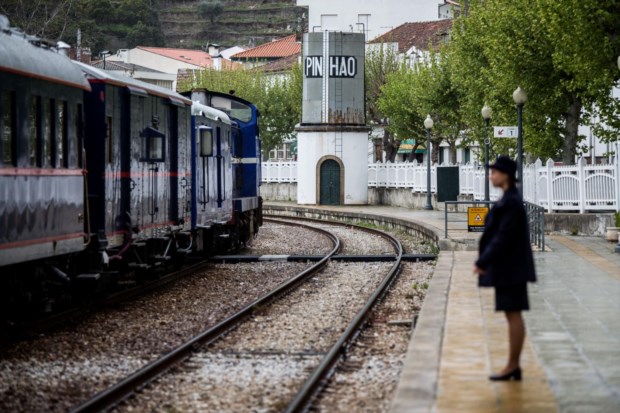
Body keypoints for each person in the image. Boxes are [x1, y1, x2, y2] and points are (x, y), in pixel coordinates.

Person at [473, 155, 536, 381]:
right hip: (509, 268)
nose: (490, 176)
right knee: (512, 313)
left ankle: (512, 365)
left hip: (512, 269)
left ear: (506, 175)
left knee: (513, 314)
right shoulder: (509, 199)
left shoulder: (511, 202)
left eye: (494, 172)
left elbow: (503, 237)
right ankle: (513, 365)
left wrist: (483, 261)